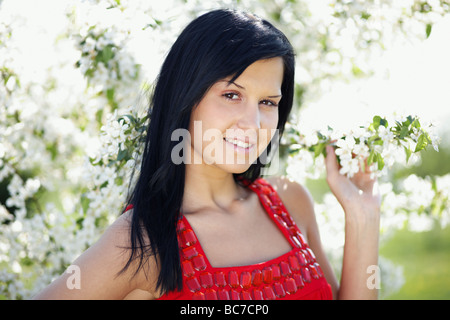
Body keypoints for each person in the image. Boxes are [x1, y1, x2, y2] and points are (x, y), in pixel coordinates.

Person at [34, 9, 380, 300]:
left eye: (267, 102)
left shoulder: (292, 201)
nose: (253, 122)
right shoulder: (141, 240)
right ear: (186, 97)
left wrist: (363, 216)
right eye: (232, 95)